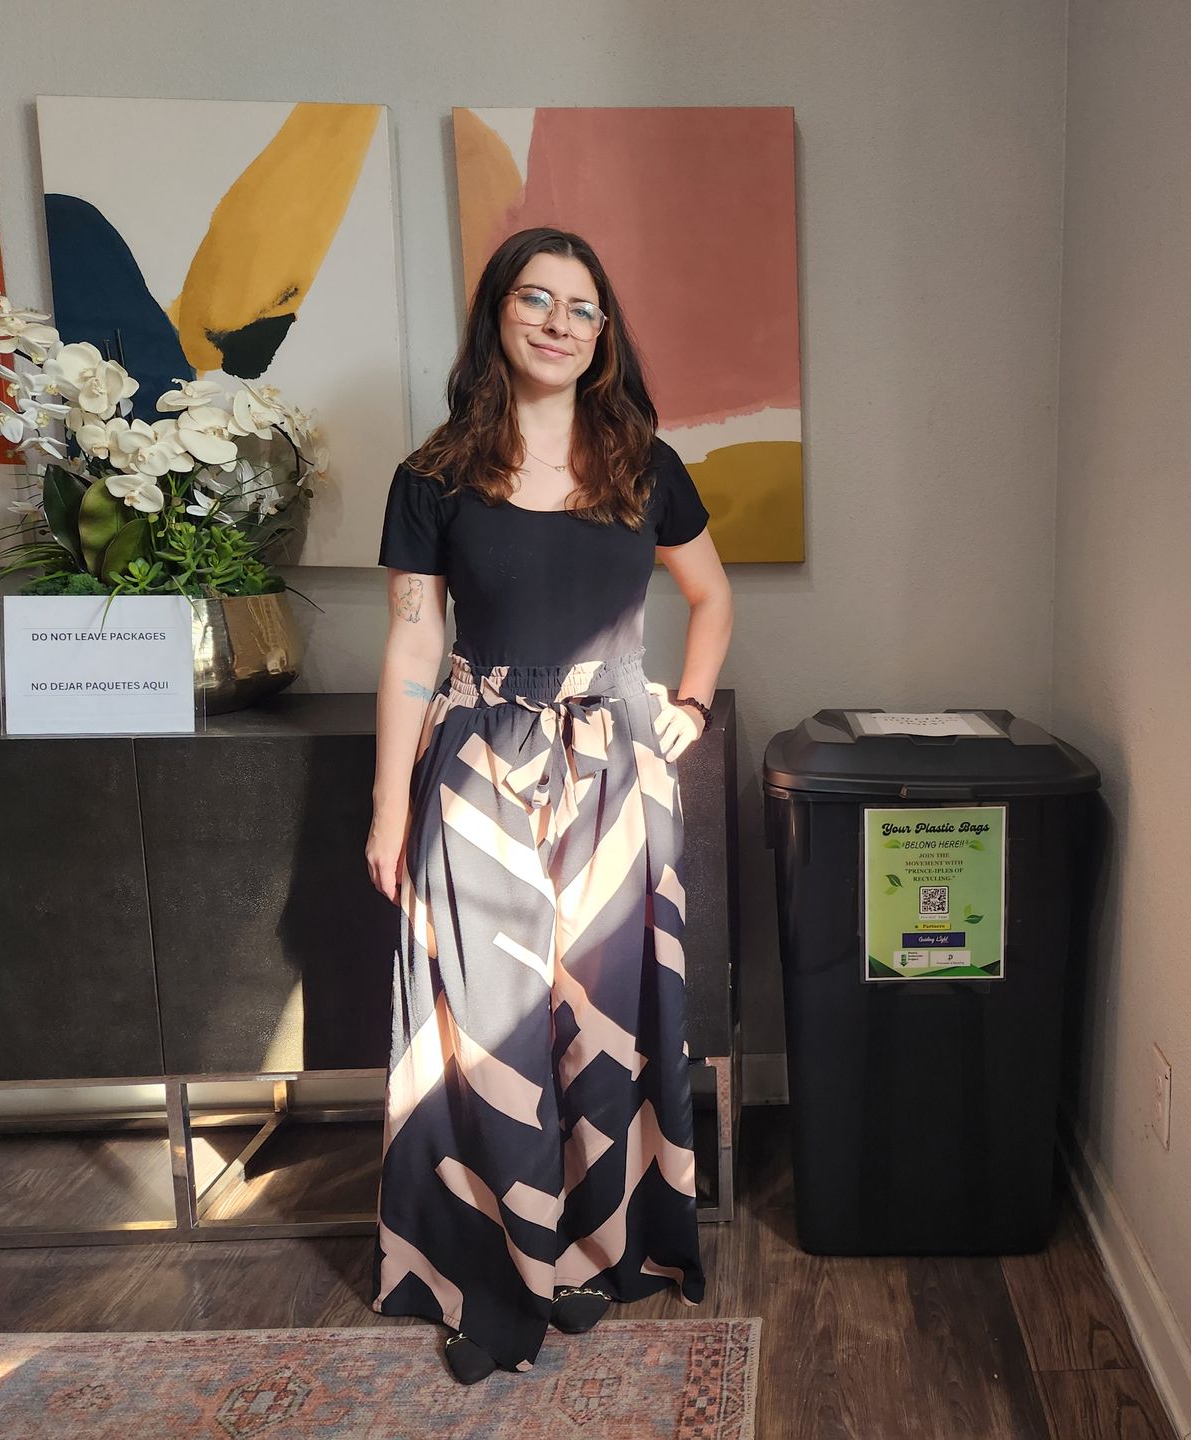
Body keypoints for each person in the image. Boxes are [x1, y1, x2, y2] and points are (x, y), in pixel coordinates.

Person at [364, 226, 734, 1383]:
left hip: (618, 771)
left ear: (603, 334)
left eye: (582, 308)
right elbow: (412, 645)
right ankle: (508, 1259)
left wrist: (690, 703)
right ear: (498, 314)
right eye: (537, 300)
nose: (559, 325)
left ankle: (605, 1242)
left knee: (605, 1018)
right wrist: (388, 810)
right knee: (491, 1024)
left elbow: (711, 597)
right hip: (478, 766)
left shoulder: (645, 466)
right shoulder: (432, 477)